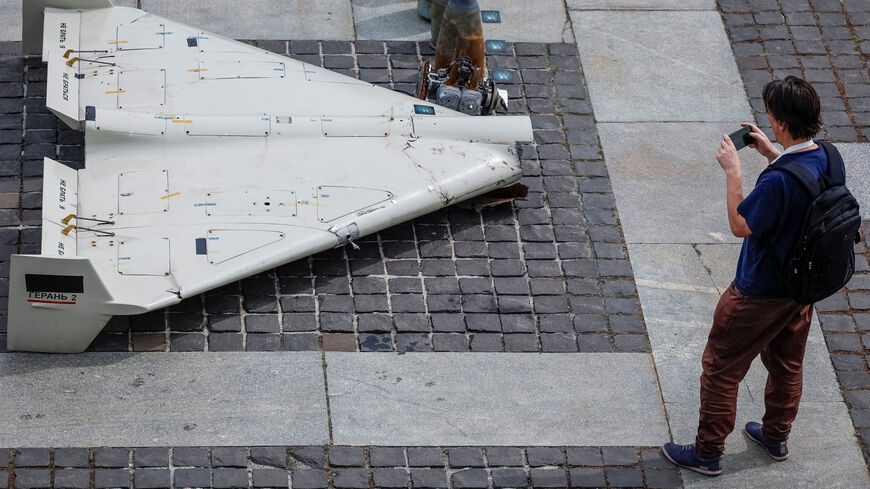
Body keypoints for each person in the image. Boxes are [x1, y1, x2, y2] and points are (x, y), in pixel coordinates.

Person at [661, 76, 840, 475]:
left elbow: (741, 225)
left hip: (759, 291)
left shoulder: (776, 181)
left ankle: (707, 453)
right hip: (800, 289)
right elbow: (802, 180)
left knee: (722, 368)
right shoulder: (828, 157)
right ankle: (776, 436)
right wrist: (773, 153)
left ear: (779, 123)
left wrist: (733, 171)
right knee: (787, 364)